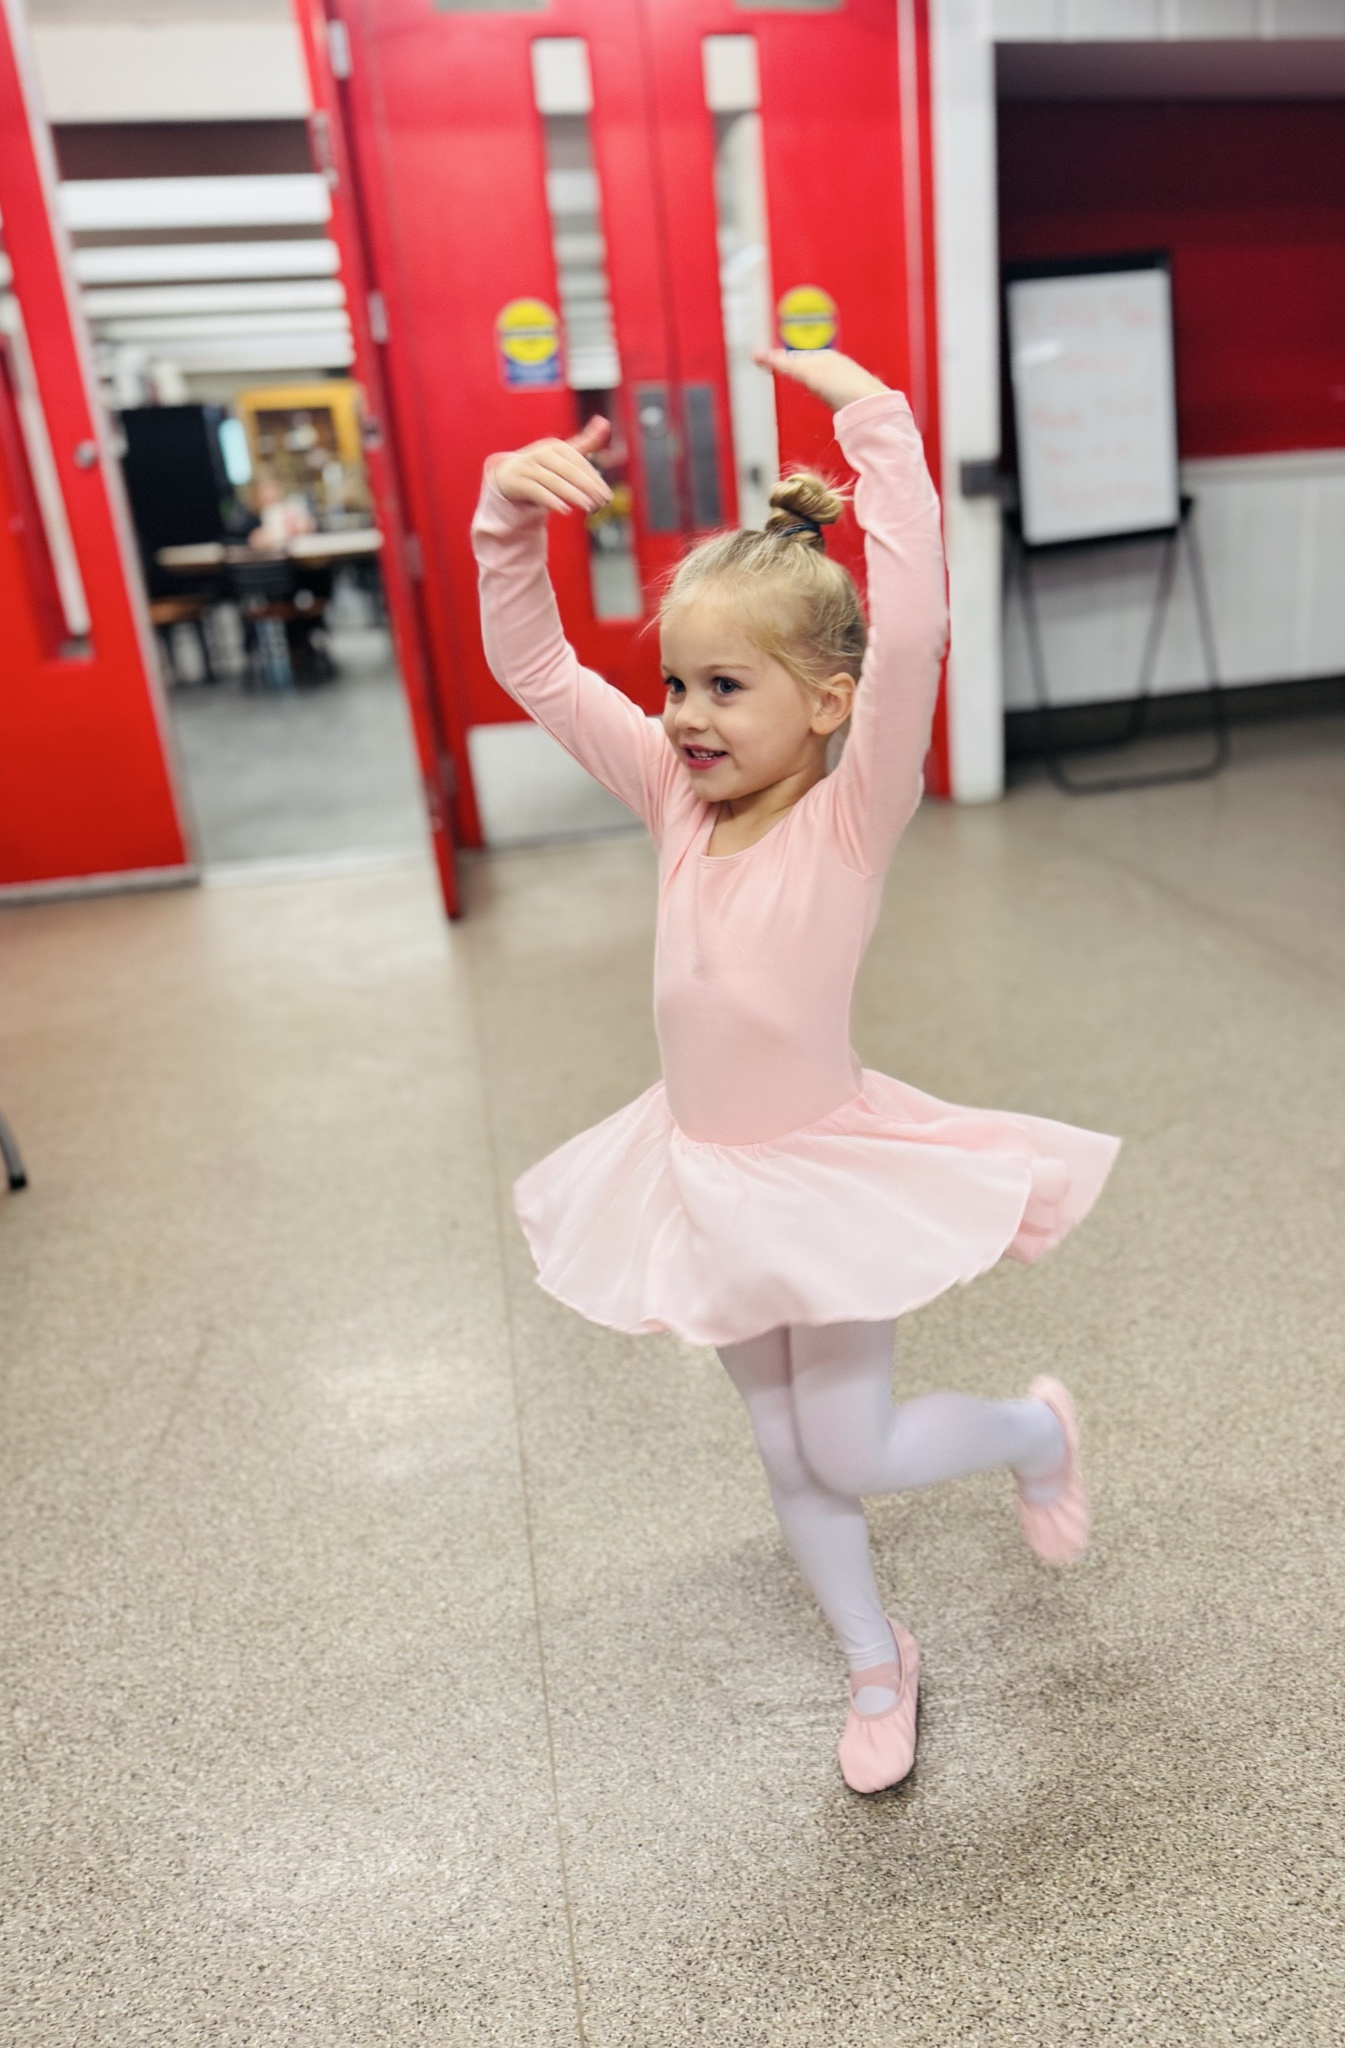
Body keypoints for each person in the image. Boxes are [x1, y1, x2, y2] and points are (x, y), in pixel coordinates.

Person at [474, 347, 1120, 1794]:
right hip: (701, 1178)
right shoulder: (671, 801)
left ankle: (1034, 1427)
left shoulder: (848, 818)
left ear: (826, 706)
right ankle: (877, 1662)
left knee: (858, 1445)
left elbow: (910, 641)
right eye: (676, 685)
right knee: (787, 1458)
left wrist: (878, 427)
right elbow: (531, 664)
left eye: (726, 686)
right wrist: (505, 522)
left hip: (823, 1176)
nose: (687, 716)